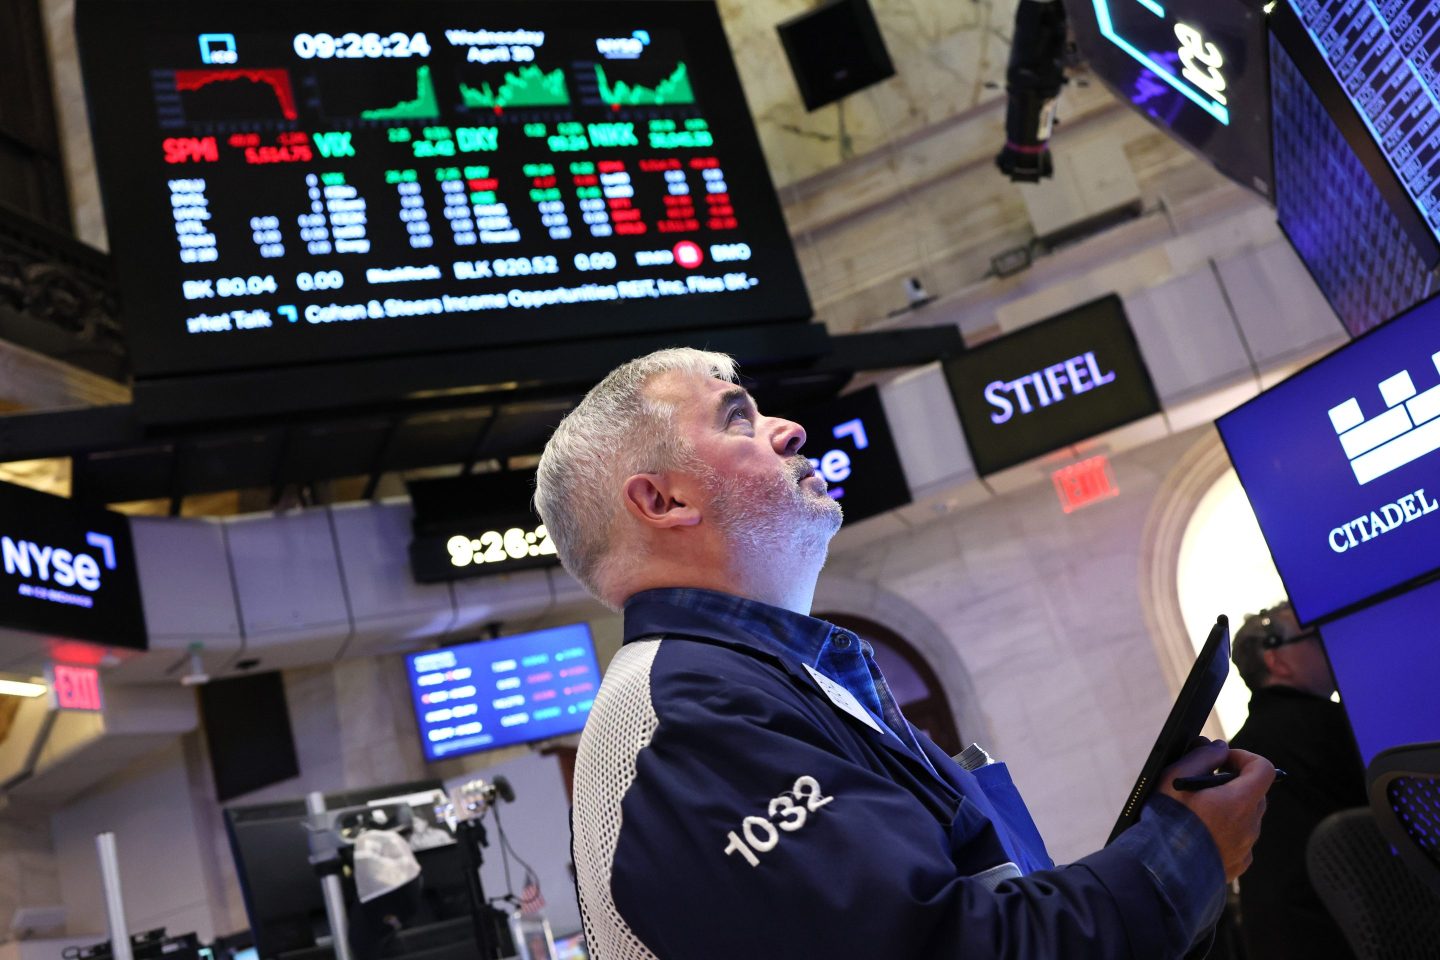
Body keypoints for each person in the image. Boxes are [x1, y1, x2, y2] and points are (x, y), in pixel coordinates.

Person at [534, 347, 1273, 959]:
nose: (789, 430)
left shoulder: (761, 677)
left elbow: (980, 900)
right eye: (739, 420)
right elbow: (938, 950)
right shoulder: (688, 715)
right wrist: (1183, 852)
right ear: (661, 503)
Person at [1229, 603, 1366, 960]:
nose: (1327, 644)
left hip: (1273, 936)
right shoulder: (1331, 724)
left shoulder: (1237, 749)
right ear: (1276, 658)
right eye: (1314, 637)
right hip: (1350, 927)